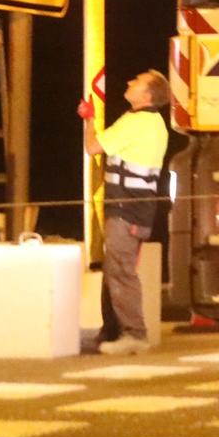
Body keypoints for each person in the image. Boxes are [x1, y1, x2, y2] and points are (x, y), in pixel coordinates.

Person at [79, 70, 171, 355]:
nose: (129, 81)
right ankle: (112, 332)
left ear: (146, 96)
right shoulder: (154, 123)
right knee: (114, 270)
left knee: (121, 272)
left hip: (126, 210)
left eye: (137, 80)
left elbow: (93, 146)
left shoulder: (136, 123)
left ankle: (134, 334)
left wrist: (89, 119)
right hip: (138, 210)